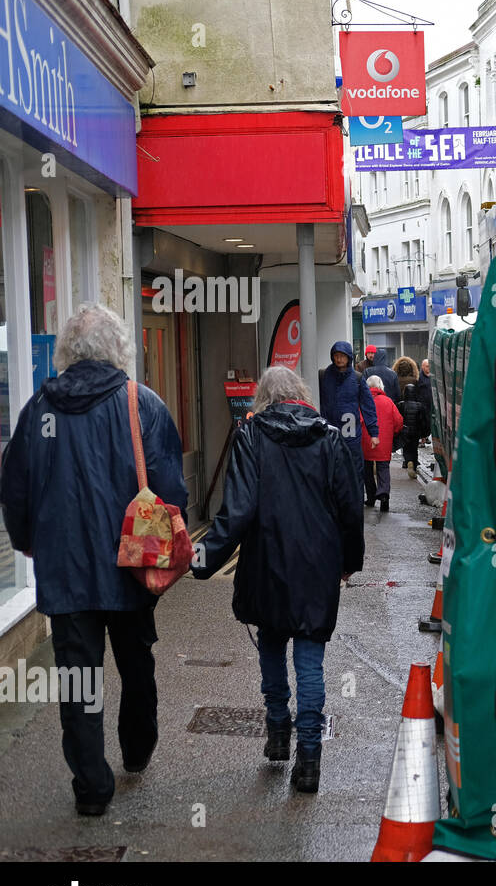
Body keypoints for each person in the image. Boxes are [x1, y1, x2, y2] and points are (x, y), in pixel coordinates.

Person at [0, 303, 186, 815]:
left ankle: (91, 788)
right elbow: (171, 491)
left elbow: (14, 489)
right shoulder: (141, 404)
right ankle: (137, 747)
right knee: (135, 662)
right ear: (117, 348)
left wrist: (27, 542)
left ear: (66, 352)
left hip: (65, 571)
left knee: (78, 679)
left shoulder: (38, 409)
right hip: (130, 566)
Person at [191, 366, 363, 793]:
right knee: (310, 660)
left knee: (270, 644)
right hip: (317, 565)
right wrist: (350, 561)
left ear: (262, 398)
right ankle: (309, 760)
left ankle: (276, 732)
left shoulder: (251, 436)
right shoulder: (328, 437)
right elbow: (350, 507)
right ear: (301, 393)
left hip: (266, 561)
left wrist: (200, 558)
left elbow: (237, 511)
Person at [318, 341, 378, 488]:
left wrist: (374, 433)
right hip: (328, 433)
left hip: (351, 436)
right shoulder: (323, 376)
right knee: (329, 472)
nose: (339, 359)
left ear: (349, 357)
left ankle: (355, 506)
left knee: (354, 473)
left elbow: (368, 406)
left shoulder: (357, 379)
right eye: (336, 356)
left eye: (342, 356)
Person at [361, 376, 403, 511]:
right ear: (381, 386)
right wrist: (393, 432)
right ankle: (384, 495)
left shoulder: (362, 401)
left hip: (366, 440)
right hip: (384, 441)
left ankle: (371, 497)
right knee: (383, 468)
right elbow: (398, 421)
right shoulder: (388, 401)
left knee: (367, 470)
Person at [397, 382, 430, 479]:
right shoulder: (420, 406)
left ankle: (408, 461)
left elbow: (398, 419)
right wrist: (425, 433)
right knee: (414, 449)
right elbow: (424, 421)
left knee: (406, 448)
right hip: (416, 432)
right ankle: (414, 467)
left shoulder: (401, 405)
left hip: (405, 431)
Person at [417, 359, 434, 446]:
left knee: (429, 421)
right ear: (422, 367)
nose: (429, 368)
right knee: (422, 422)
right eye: (427, 366)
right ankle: (422, 439)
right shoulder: (419, 377)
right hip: (422, 403)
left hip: (431, 403)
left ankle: (427, 437)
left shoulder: (432, 376)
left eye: (429, 366)